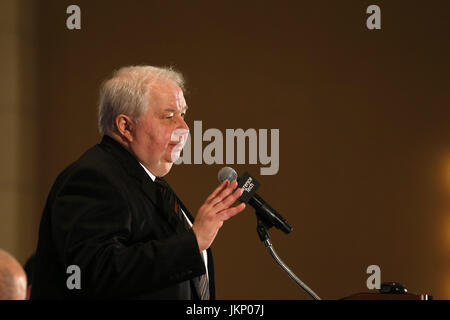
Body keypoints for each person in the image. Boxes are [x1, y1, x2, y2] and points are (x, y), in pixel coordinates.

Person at [31, 65, 246, 299]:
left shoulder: (149, 183)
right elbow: (93, 273)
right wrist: (192, 242)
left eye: (183, 115)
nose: (184, 128)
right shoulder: (93, 178)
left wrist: (193, 242)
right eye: (169, 116)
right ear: (126, 126)